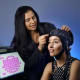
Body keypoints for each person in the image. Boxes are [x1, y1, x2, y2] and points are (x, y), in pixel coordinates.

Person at [11, 6, 70, 80]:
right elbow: (28, 66)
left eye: (33, 17)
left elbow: (66, 43)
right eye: (28, 20)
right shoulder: (18, 42)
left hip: (52, 72)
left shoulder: (47, 27)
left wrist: (67, 34)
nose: (32, 22)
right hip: (34, 76)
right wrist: (39, 48)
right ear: (21, 23)